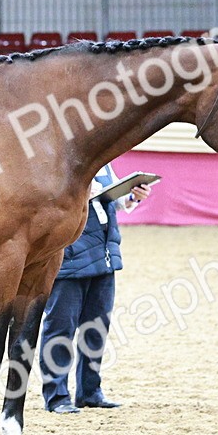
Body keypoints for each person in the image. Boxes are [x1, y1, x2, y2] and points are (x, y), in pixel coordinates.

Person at [37, 165, 151, 414]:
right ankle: (56, 396)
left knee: (96, 329)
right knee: (60, 328)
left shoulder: (104, 161)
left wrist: (132, 196)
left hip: (105, 256)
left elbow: (112, 199)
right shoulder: (60, 159)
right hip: (69, 258)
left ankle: (90, 391)